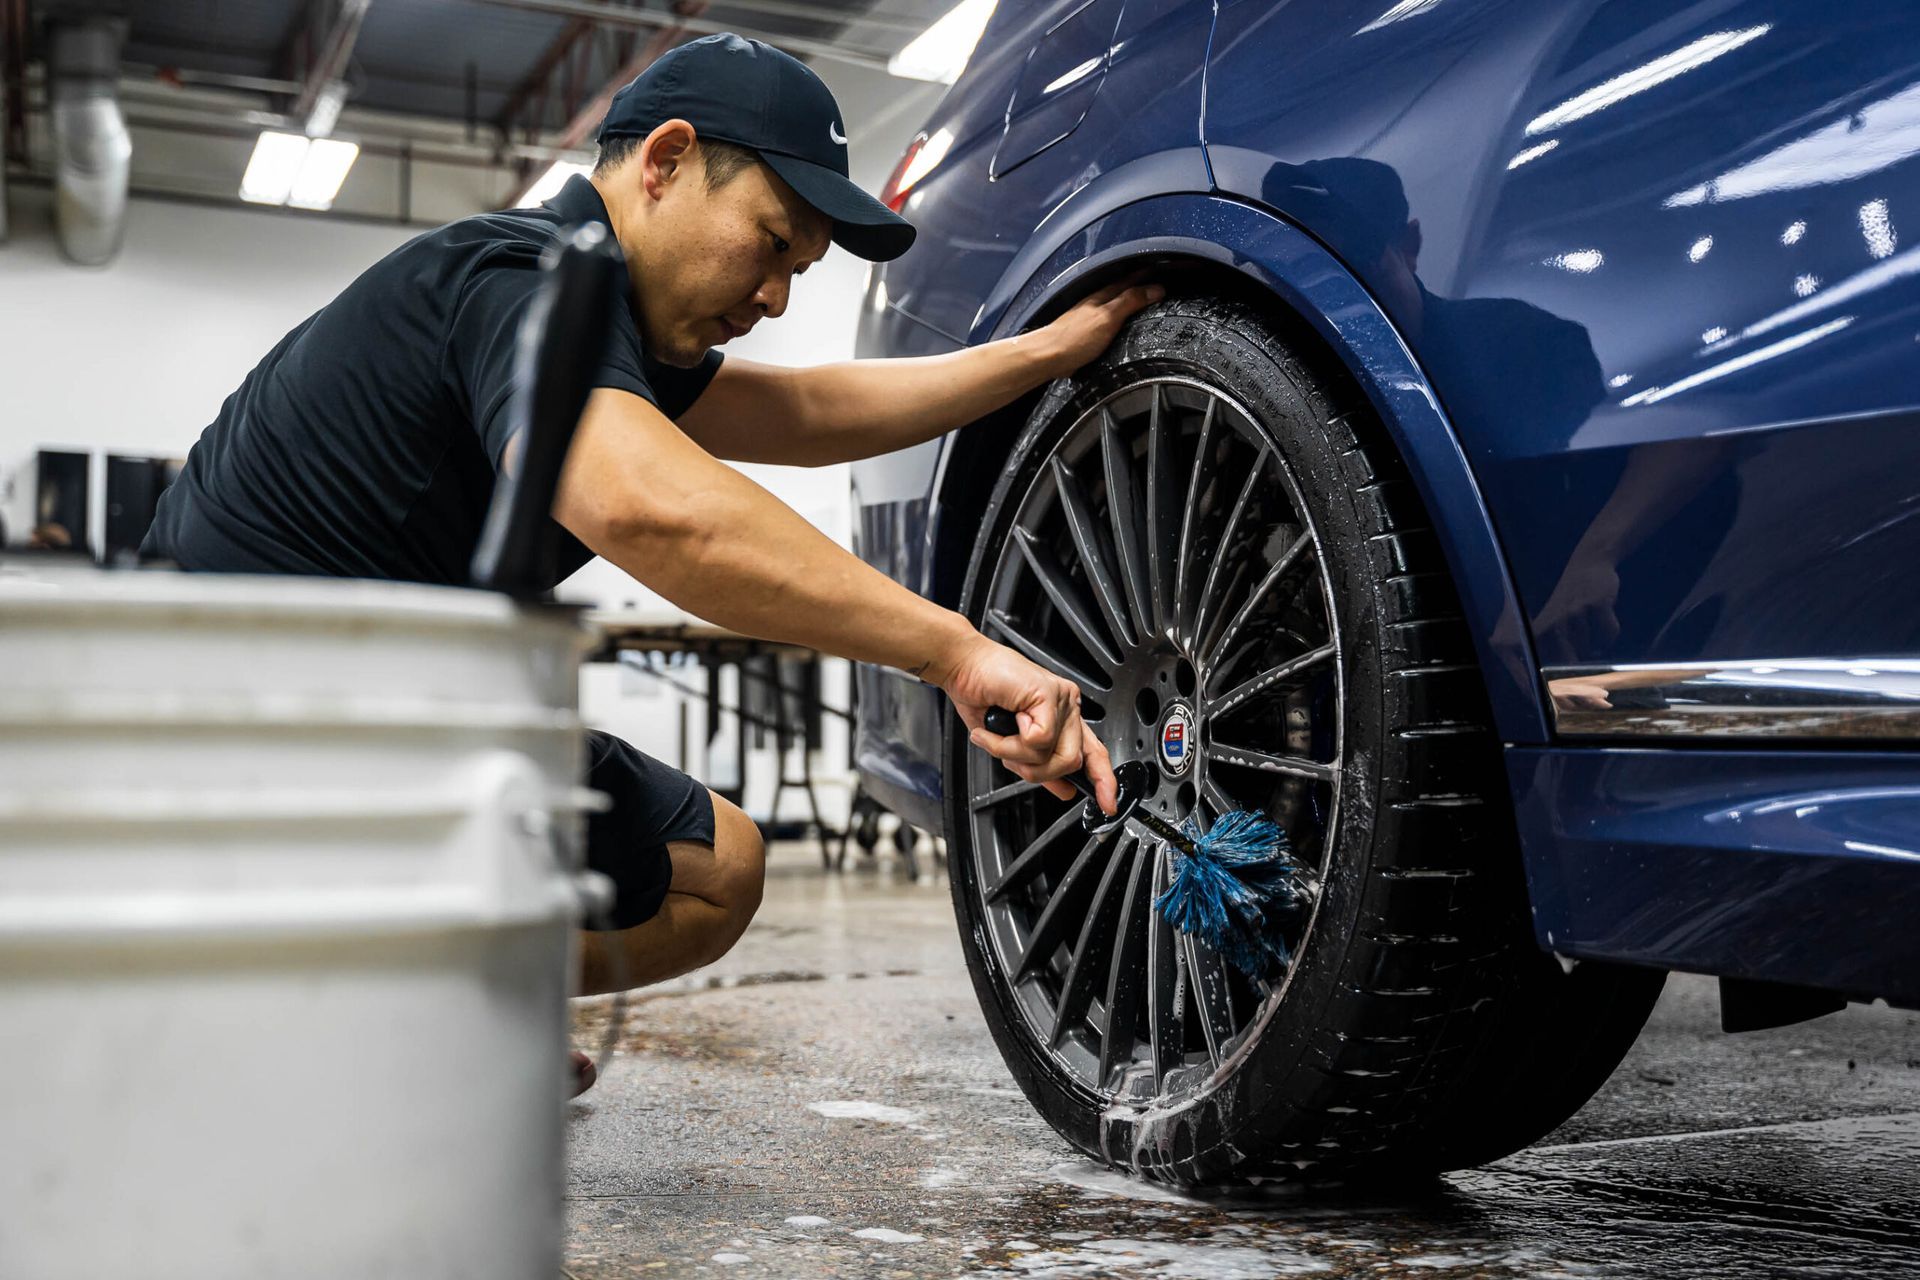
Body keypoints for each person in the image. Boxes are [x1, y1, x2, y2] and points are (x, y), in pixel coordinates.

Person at [141, 33, 1143, 1095]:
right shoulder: (520, 277)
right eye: (770, 243)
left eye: (799, 272)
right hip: (229, 721)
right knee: (703, 869)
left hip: (376, 717)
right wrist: (955, 650)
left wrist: (1048, 349)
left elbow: (808, 410)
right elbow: (649, 511)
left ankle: (418, 987)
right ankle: (382, 994)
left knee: (718, 872)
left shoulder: (610, 323)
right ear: (664, 162)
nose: (775, 300)